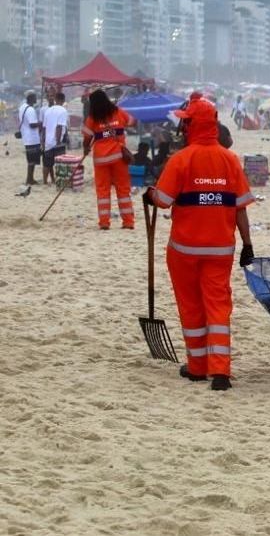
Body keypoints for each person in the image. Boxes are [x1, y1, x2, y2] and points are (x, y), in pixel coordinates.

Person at [144, 93, 255, 391]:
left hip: (184, 250)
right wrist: (248, 244)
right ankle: (220, 371)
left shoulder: (180, 159)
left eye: (185, 124)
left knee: (192, 307)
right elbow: (240, 207)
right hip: (221, 249)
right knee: (218, 307)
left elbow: (164, 201)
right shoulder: (230, 160)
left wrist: (150, 194)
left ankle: (197, 367)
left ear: (191, 126)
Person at [82, 90, 136, 230]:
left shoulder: (92, 118)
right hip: (119, 157)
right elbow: (132, 122)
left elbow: (87, 138)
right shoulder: (118, 112)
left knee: (103, 191)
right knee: (123, 190)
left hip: (101, 159)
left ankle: (104, 222)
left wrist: (86, 148)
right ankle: (128, 222)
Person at [42, 92, 69, 185]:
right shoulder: (63, 110)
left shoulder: (48, 111)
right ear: (63, 100)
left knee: (47, 163)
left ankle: (45, 182)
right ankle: (60, 181)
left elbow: (44, 128)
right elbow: (59, 127)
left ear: (55, 99)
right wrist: (58, 141)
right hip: (58, 142)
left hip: (48, 142)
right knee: (60, 163)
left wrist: (43, 141)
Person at [17, 92, 42, 185]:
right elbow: (32, 124)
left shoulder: (22, 107)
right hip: (32, 138)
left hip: (26, 137)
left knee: (30, 160)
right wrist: (40, 123)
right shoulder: (31, 109)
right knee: (32, 161)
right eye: (35, 97)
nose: (36, 99)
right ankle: (29, 179)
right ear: (31, 98)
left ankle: (30, 178)